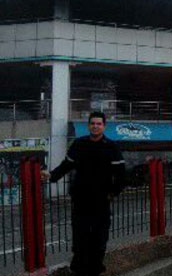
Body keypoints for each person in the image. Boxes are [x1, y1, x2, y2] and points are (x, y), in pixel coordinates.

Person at [41, 111, 125, 276]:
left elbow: (121, 173)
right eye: (92, 123)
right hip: (81, 199)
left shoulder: (112, 147)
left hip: (102, 200)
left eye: (98, 124)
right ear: (88, 125)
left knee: (100, 237)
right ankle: (78, 269)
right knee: (80, 235)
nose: (95, 126)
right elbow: (67, 165)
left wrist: (113, 192)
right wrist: (52, 175)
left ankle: (95, 268)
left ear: (104, 126)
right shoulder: (79, 144)